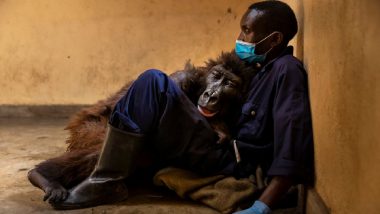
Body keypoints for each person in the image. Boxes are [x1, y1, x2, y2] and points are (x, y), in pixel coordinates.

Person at [53, 1, 314, 214]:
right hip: (217, 143)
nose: (240, 37)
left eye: (246, 30)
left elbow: (292, 140)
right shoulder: (259, 70)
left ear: (274, 39)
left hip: (228, 159)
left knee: (153, 81)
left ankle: (105, 181)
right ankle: (103, 174)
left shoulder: (286, 71)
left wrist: (262, 205)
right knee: (156, 87)